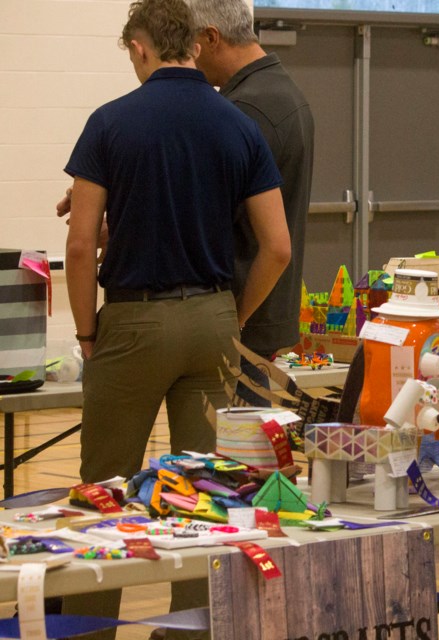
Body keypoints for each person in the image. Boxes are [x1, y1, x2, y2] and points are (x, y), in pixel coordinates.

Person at [61, 1, 290, 638]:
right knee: (204, 493)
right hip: (214, 319)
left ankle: (87, 628)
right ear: (192, 42)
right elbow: (278, 246)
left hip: (133, 322)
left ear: (140, 48)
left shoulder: (109, 123)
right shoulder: (238, 124)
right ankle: (189, 630)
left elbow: (81, 246)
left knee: (104, 489)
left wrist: (86, 331)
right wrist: (232, 316)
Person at [187, 0, 315, 405]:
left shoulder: (243, 110)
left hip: (242, 312)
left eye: (191, 45)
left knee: (232, 459)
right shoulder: (282, 91)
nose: (189, 58)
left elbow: (207, 215)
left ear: (211, 37)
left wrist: (235, 319)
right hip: (264, 311)